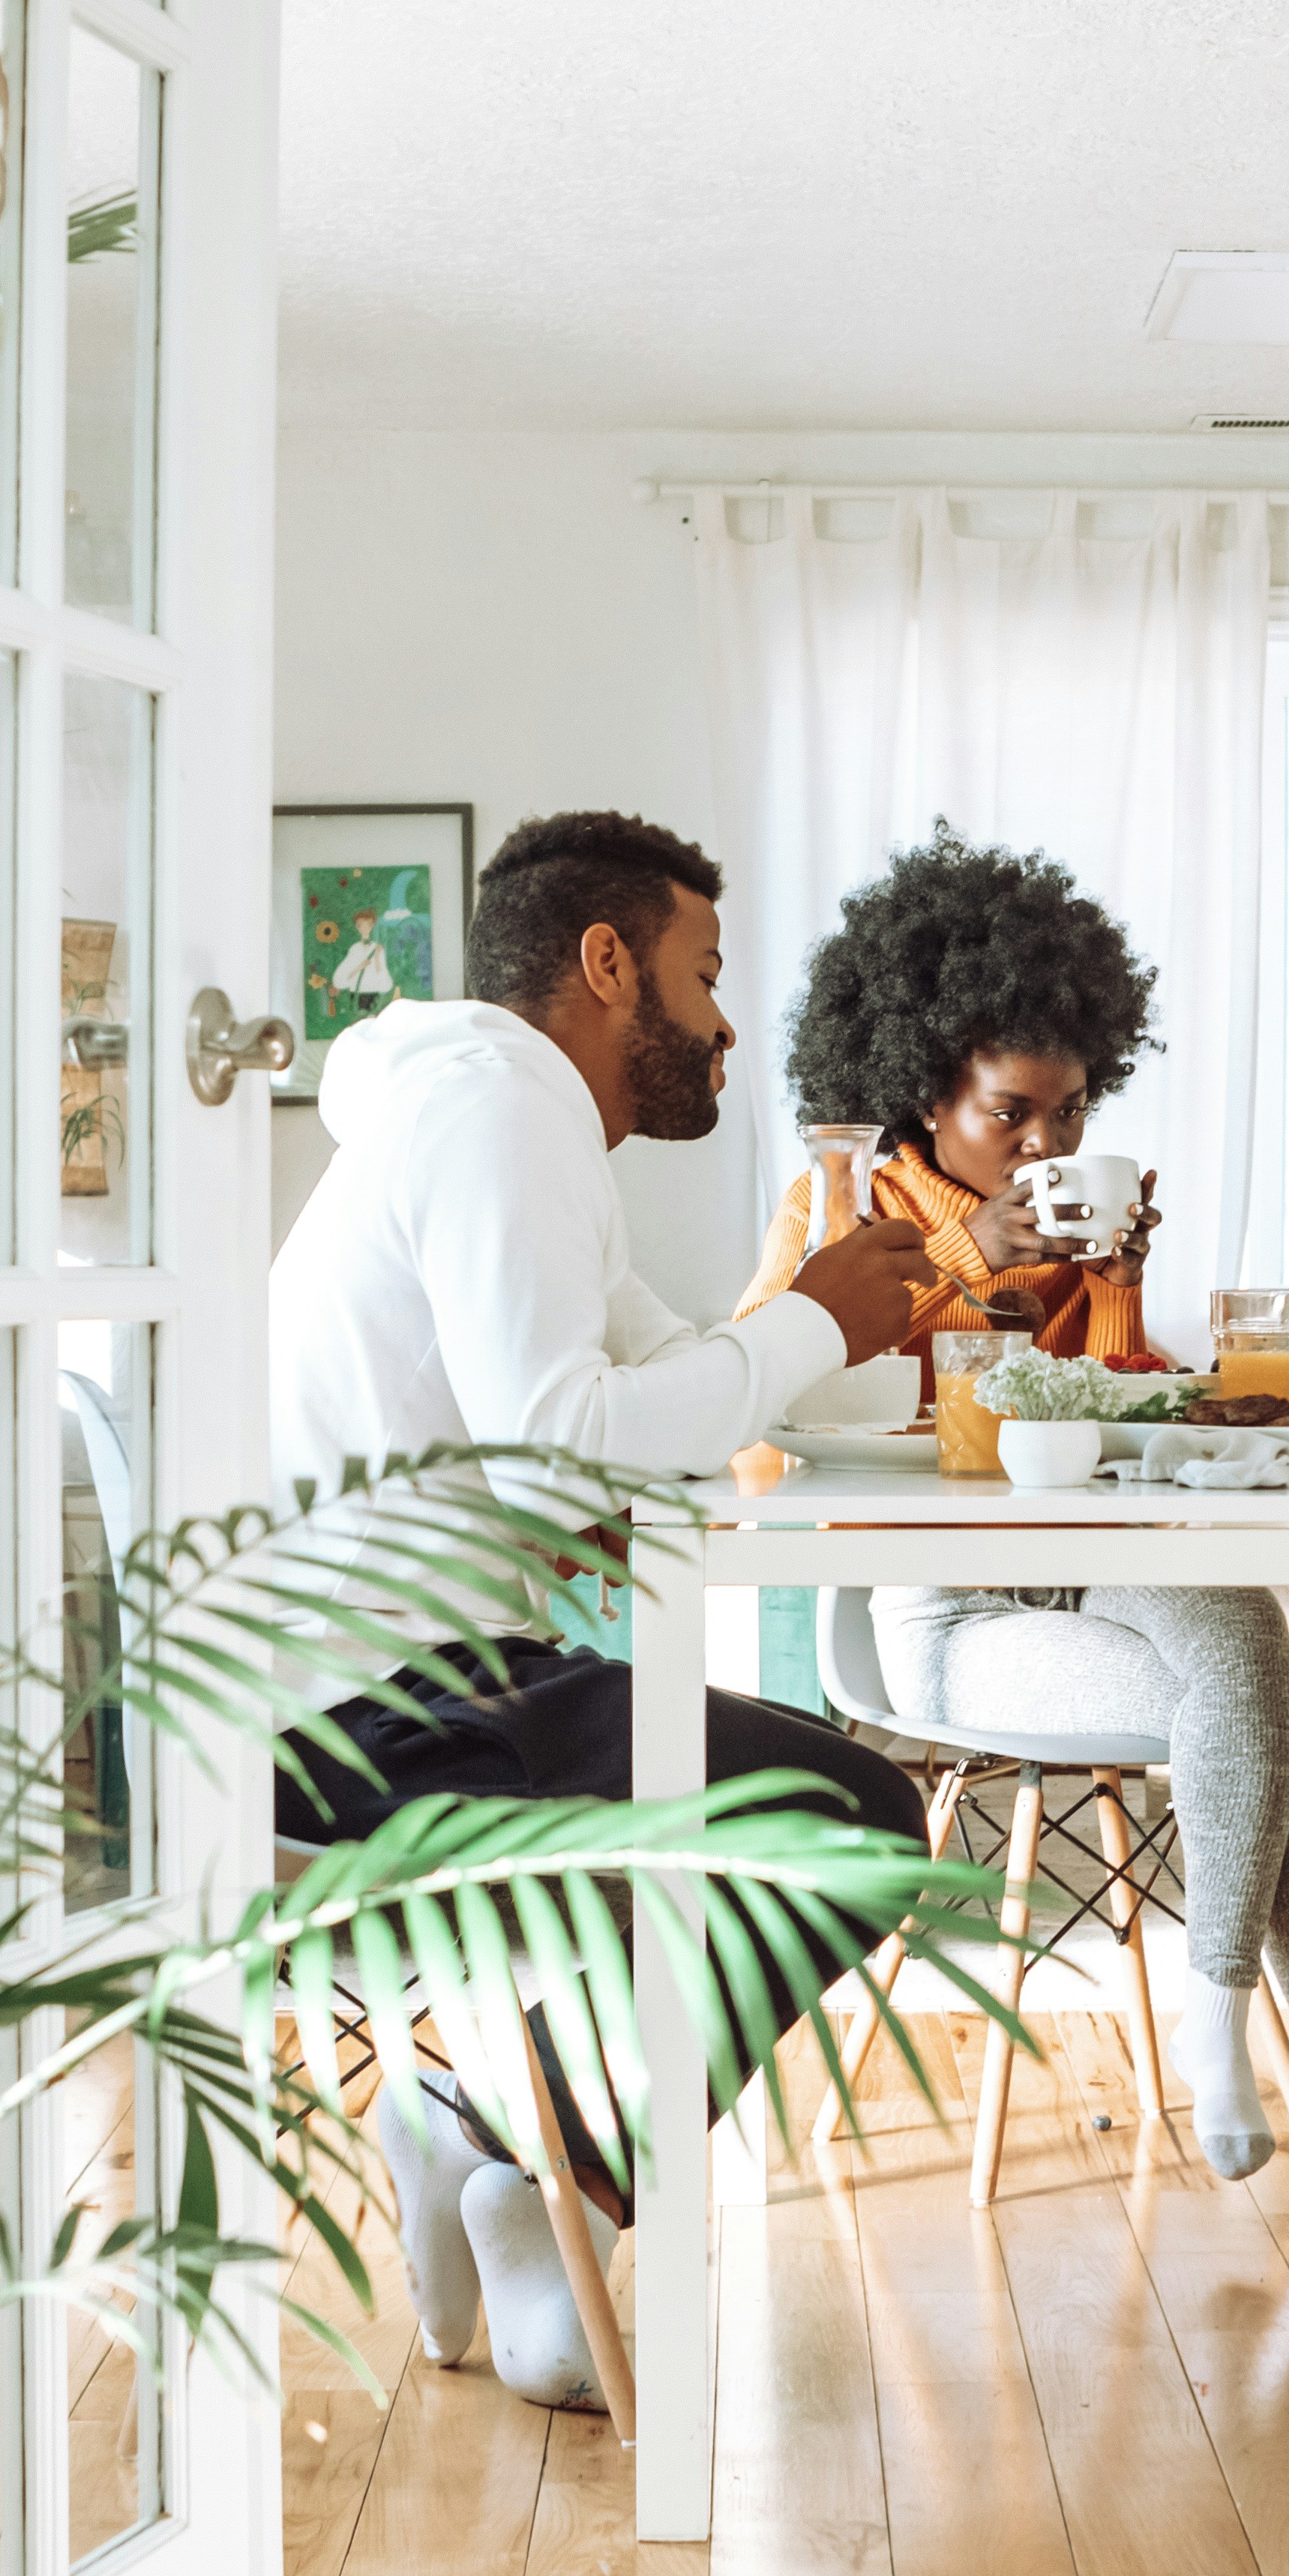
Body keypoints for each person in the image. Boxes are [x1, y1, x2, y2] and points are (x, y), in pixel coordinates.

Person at [274, 808, 940, 2409]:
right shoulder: (500, 1117)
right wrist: (803, 1318)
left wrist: (796, 1334)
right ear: (604, 962)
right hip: (350, 1713)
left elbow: (634, 1380)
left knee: (817, 1794)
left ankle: (497, 2141)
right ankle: (525, 2167)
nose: (720, 1024)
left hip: (398, 1666)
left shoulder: (495, 1118)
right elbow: (568, 1435)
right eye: (702, 973)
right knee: (852, 1818)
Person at [734, 831, 1289, 2185]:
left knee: (1252, 1647)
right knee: (1288, 1714)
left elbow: (1098, 1422)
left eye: (1071, 1112)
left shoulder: (1077, 1223)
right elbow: (761, 1417)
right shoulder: (841, 1209)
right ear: (921, 1089)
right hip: (943, 1609)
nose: (1046, 1143)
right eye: (1010, 1112)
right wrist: (965, 1255)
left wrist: (1124, 1286)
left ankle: (1233, 2027)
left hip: (1087, 1566)